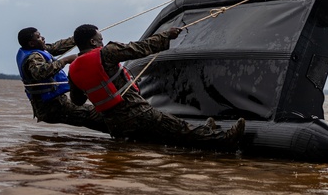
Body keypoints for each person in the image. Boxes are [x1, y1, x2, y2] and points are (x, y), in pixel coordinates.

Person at [67, 23, 245, 149]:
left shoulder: (73, 70)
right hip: (136, 110)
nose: (102, 42)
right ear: (92, 42)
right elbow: (141, 48)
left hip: (114, 122)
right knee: (178, 128)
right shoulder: (107, 52)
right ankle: (224, 139)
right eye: (100, 39)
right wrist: (167, 35)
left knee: (146, 145)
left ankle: (207, 130)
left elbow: (77, 100)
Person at [16, 27, 108, 134]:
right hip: (51, 108)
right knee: (94, 115)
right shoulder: (33, 57)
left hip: (55, 104)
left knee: (92, 116)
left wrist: (81, 36)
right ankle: (122, 136)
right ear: (32, 44)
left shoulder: (38, 49)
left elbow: (57, 47)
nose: (43, 38)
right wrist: (66, 60)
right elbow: (40, 73)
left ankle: (118, 141)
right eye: (39, 37)